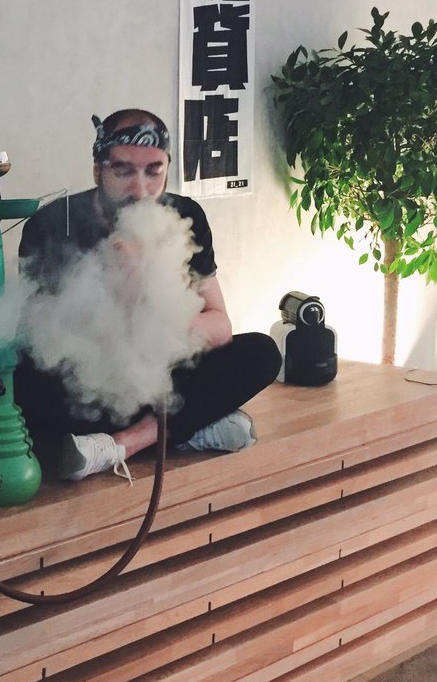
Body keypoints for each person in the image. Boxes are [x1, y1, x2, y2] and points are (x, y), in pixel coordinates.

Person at [15, 108, 281, 482]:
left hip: (160, 373)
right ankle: (186, 429)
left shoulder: (186, 217)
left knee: (262, 353)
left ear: (167, 168)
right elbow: (48, 341)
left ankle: (123, 445)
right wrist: (119, 293)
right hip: (87, 383)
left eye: (154, 171)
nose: (140, 190)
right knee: (24, 379)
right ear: (98, 170)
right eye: (123, 171)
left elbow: (220, 326)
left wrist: (151, 301)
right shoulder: (54, 224)